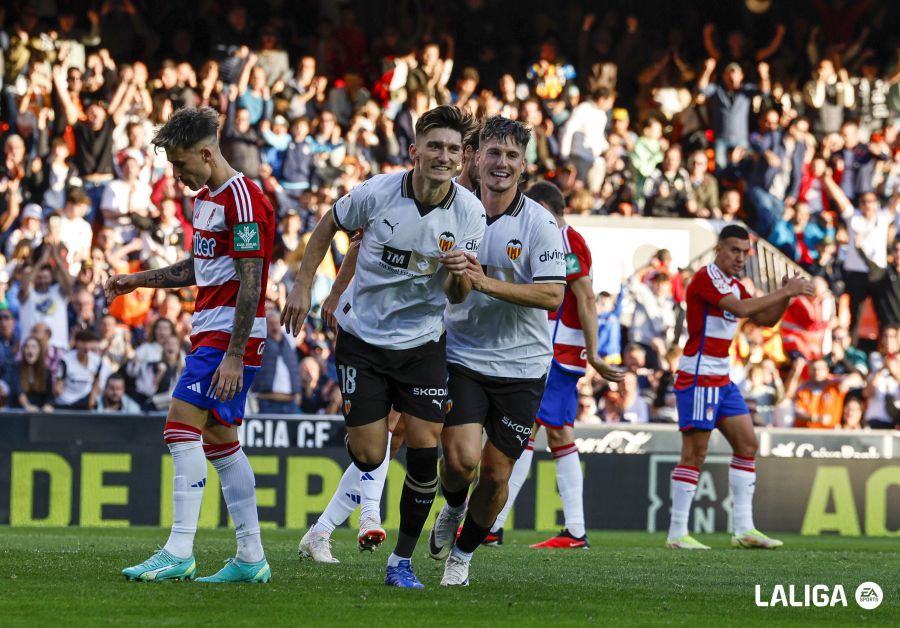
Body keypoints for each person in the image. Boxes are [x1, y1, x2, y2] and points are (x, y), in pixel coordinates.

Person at [281, 105, 484, 588]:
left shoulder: (470, 212)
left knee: (423, 446)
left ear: (462, 159)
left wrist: (458, 276)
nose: (443, 155)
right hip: (363, 339)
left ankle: (401, 562)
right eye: (434, 145)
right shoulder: (377, 192)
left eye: (453, 149)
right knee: (370, 454)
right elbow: (330, 224)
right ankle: (337, 524)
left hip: (422, 344)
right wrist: (305, 283)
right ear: (414, 151)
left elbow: (459, 295)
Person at [105, 107, 274, 583]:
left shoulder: (244, 199)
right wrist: (135, 280)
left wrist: (236, 355)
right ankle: (251, 557)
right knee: (220, 442)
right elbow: (201, 268)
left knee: (179, 427)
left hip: (228, 335)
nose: (177, 176)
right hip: (212, 329)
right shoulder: (208, 200)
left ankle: (179, 549)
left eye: (181, 165)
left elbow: (251, 279)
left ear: (206, 152)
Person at [426, 116, 565, 587]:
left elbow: (552, 295)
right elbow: (450, 289)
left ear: (523, 166)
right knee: (461, 461)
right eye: (493, 153)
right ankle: (453, 505)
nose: (500, 163)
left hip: (523, 367)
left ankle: (462, 554)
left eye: (511, 156)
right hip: (464, 354)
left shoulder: (540, 223)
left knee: (495, 476)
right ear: (476, 158)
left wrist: (481, 279)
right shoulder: (456, 210)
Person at [488, 181, 623, 549]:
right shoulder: (560, 240)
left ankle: (570, 530)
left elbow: (585, 297)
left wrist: (594, 353)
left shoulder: (567, 241)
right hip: (553, 350)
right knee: (529, 433)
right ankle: (497, 525)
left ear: (545, 209)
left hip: (559, 352)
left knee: (544, 432)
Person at [666, 224, 813, 550]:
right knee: (695, 453)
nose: (740, 257)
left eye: (745, 252)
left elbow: (765, 320)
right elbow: (743, 310)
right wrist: (785, 291)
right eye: (734, 249)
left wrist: (787, 296)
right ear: (718, 248)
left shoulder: (733, 284)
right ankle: (677, 534)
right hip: (699, 376)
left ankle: (744, 529)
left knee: (747, 444)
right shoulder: (706, 277)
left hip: (722, 378)